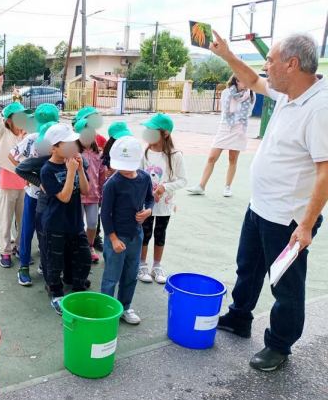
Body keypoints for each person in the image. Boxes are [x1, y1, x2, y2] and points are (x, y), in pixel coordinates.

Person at [209, 31, 328, 371]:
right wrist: (227, 55)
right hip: (261, 206)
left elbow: (325, 172)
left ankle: (279, 346)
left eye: (271, 60)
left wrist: (305, 226)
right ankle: (239, 317)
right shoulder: (289, 93)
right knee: (248, 266)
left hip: (289, 217)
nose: (266, 66)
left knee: (286, 286)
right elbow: (249, 80)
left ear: (292, 64)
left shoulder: (320, 107)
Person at [100, 136, 154, 325]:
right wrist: (113, 239)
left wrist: (148, 211)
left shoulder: (145, 177)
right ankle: (105, 310)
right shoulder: (112, 184)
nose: (123, 169)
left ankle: (125, 307)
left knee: (131, 274)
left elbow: (150, 199)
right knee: (111, 276)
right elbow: (105, 215)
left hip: (135, 235)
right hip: (116, 236)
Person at [40, 123, 91, 315]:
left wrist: (79, 170)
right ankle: (56, 293)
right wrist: (70, 172)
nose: (72, 147)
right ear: (54, 147)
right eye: (67, 144)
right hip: (55, 224)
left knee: (83, 258)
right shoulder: (47, 170)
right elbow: (64, 197)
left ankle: (77, 287)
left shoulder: (75, 163)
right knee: (55, 261)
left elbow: (85, 191)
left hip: (76, 222)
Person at [11, 105, 59, 286]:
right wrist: (29, 178)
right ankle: (23, 266)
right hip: (33, 195)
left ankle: (45, 265)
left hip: (54, 197)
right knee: (28, 229)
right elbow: (13, 157)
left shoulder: (60, 139)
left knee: (47, 231)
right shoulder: (31, 139)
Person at [187, 75, 255, 197]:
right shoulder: (226, 93)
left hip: (239, 128)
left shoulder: (250, 94)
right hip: (225, 126)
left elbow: (248, 112)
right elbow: (225, 110)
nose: (247, 83)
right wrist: (235, 117)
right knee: (212, 158)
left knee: (232, 159)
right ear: (237, 81)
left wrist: (238, 119)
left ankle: (228, 187)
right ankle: (201, 186)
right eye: (244, 80)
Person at [138, 114, 187, 284]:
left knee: (160, 234)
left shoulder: (175, 155)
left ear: (165, 134)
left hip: (164, 205)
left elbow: (182, 180)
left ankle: (156, 266)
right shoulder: (144, 153)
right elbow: (137, 175)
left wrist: (164, 187)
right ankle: (142, 264)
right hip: (146, 204)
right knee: (145, 233)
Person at [0, 74, 28, 268]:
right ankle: (5, 251)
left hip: (26, 184)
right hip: (7, 182)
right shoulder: (2, 132)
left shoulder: (28, 134)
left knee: (24, 221)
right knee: (6, 220)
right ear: (10, 120)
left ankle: (21, 247)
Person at [94, 121, 134, 252]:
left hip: (125, 191)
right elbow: (103, 170)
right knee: (105, 214)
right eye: (118, 138)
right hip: (109, 190)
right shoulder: (107, 153)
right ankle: (101, 239)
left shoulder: (131, 150)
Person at [74, 118, 106, 263]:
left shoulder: (98, 153)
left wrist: (101, 194)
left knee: (92, 223)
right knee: (78, 224)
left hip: (93, 196)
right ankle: (78, 248)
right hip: (77, 196)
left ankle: (90, 246)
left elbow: (101, 175)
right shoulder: (74, 153)